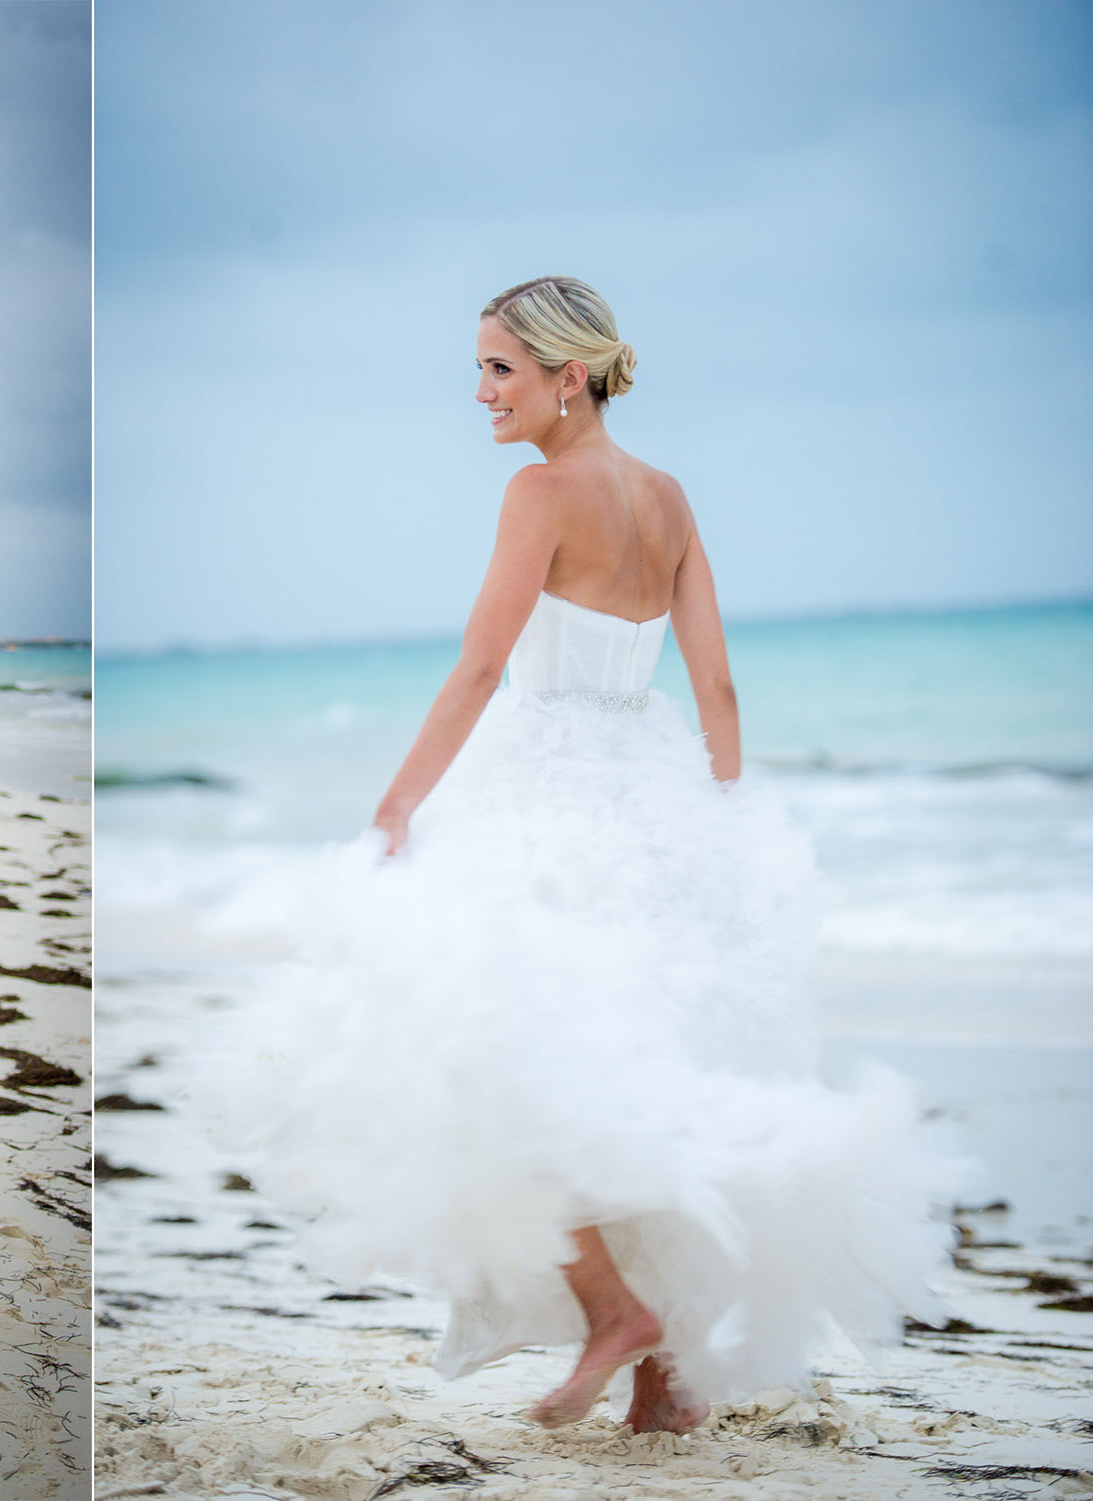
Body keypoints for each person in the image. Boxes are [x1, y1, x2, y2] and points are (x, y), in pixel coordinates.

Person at [185, 278, 958, 1432]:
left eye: (499, 368)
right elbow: (717, 688)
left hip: (536, 796)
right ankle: (661, 1376)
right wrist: (725, 820)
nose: (481, 392)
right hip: (654, 801)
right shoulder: (669, 497)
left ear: (568, 375)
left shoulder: (537, 492)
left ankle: (609, 1305)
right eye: (480, 369)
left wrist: (395, 807)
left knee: (486, 1050)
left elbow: (480, 670)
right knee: (642, 1074)